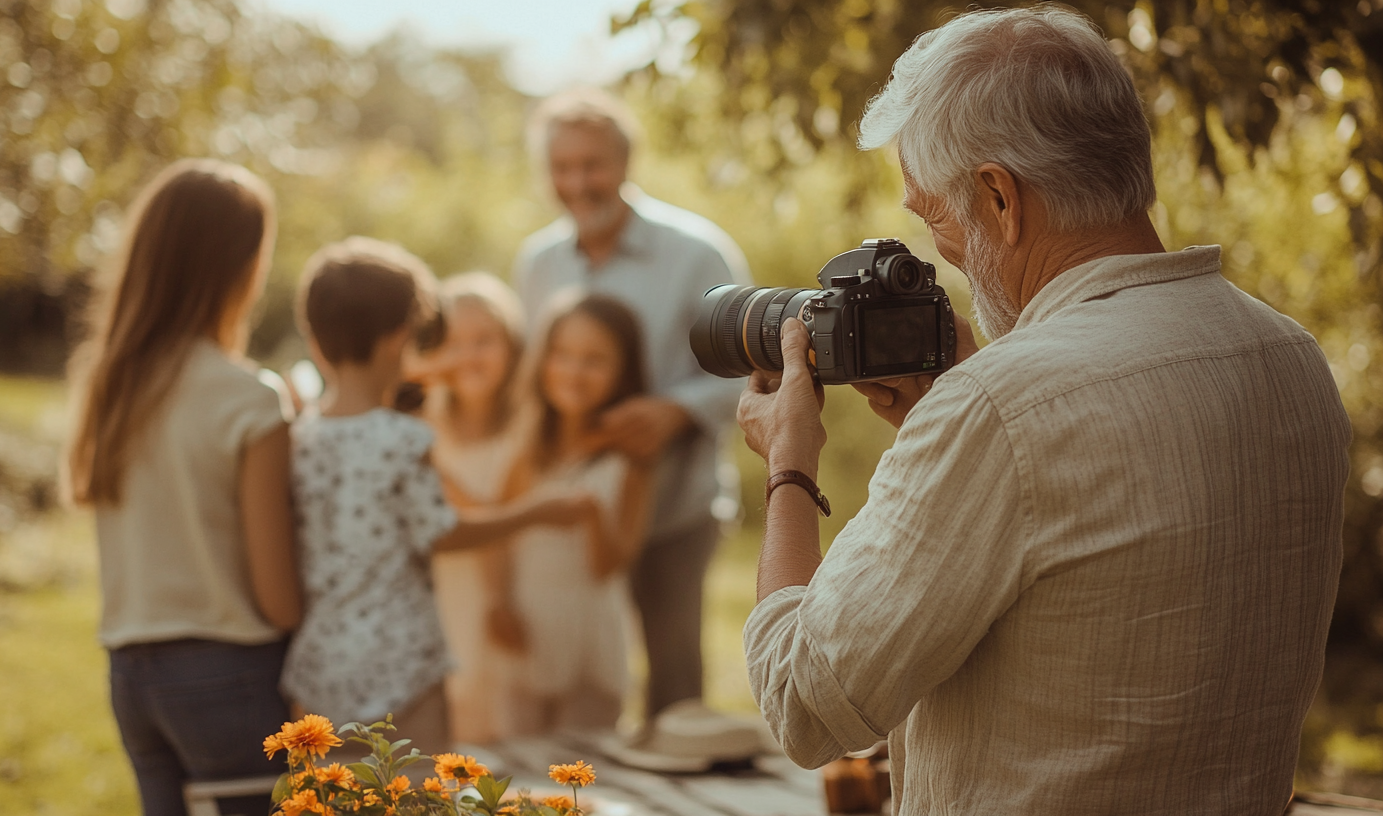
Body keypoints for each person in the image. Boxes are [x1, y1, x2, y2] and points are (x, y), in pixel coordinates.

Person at [736, 7, 1351, 815]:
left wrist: (789, 467)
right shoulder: (1290, 355)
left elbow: (805, 703)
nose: (940, 253)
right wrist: (953, 419)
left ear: (999, 197)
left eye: (933, 215)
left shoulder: (1000, 407)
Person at [280, 238, 595, 757]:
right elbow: (444, 531)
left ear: (315, 340)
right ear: (402, 338)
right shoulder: (406, 440)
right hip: (403, 663)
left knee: (328, 798)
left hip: (320, 665)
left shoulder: (299, 437)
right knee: (416, 793)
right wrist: (534, 511)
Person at [63, 159, 301, 816]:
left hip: (132, 676)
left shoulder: (109, 386)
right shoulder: (251, 398)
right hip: (229, 673)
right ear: (238, 266)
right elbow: (280, 602)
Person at [514, 88, 750, 722]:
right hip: (568, 513)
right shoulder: (536, 263)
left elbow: (760, 370)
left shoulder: (699, 253)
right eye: (562, 168)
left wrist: (675, 412)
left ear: (625, 164)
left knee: (673, 685)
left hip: (673, 506)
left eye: (592, 165)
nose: (577, 182)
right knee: (569, 672)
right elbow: (528, 380)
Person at [499, 291, 655, 733]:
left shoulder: (629, 460)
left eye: (594, 360)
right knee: (520, 767)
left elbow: (609, 565)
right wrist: (499, 602)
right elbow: (499, 537)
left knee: (585, 767)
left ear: (624, 370)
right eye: (562, 355)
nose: (573, 371)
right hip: (527, 626)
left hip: (590, 632)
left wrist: (590, 516)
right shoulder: (526, 445)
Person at [424, 271, 528, 743]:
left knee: (509, 713)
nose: (469, 355)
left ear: (511, 346)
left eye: (485, 340)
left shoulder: (527, 427)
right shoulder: (422, 429)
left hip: (518, 594)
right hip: (446, 596)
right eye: (454, 342)